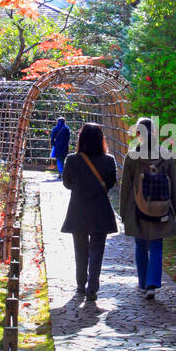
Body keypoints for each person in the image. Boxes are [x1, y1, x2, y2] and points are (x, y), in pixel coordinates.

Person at [119, 117, 176, 300]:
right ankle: (152, 283)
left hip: (138, 208)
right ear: (154, 132)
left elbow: (126, 187)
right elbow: (173, 186)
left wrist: (124, 212)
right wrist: (173, 209)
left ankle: (143, 282)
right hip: (160, 207)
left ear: (138, 134)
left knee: (140, 244)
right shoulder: (166, 155)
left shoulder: (132, 157)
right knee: (156, 244)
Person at [60, 122, 117, 301]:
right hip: (100, 209)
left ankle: (80, 284)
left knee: (80, 249)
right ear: (101, 139)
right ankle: (92, 286)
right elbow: (111, 183)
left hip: (78, 209)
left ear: (81, 139)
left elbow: (67, 183)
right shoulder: (109, 160)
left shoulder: (72, 159)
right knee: (97, 249)